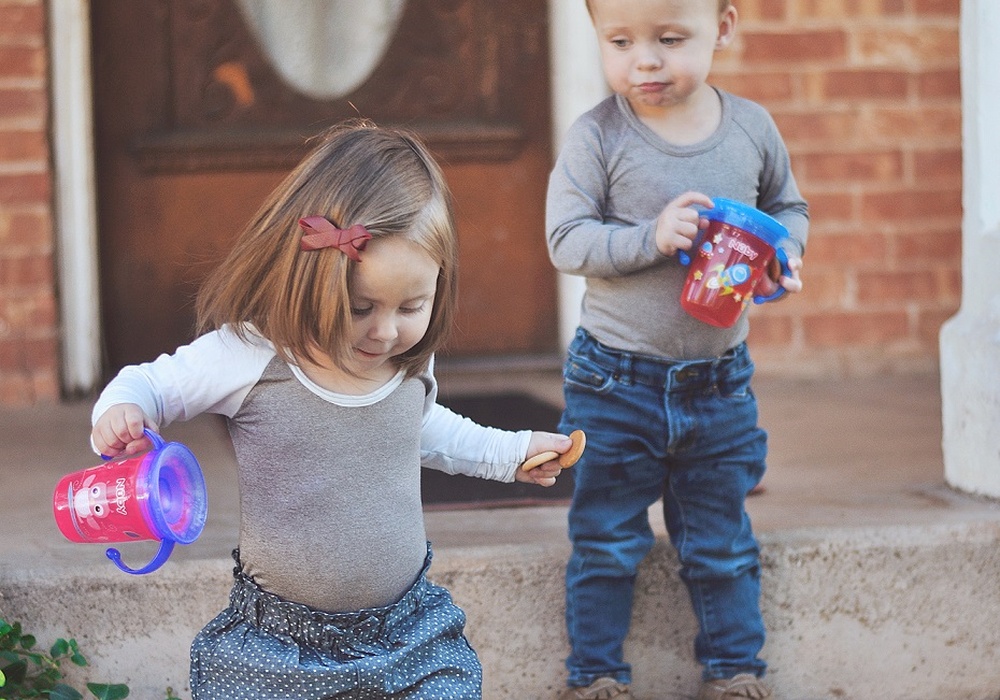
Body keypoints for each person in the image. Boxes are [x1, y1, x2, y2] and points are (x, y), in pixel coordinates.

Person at [90, 119, 573, 700]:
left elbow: (423, 433)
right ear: (310, 273)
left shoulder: (406, 365)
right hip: (281, 647)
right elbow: (150, 384)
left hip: (408, 634)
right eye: (361, 306)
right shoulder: (252, 354)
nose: (387, 331)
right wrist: (123, 410)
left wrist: (511, 453)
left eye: (412, 305)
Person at [546, 0, 809, 698]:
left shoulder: (751, 128)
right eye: (621, 41)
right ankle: (597, 673)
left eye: (669, 39)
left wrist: (783, 253)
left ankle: (734, 669)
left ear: (721, 27)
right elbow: (565, 239)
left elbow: (788, 207)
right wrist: (649, 238)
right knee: (605, 538)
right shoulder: (597, 136)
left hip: (719, 384)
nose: (646, 60)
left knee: (720, 541)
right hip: (614, 382)